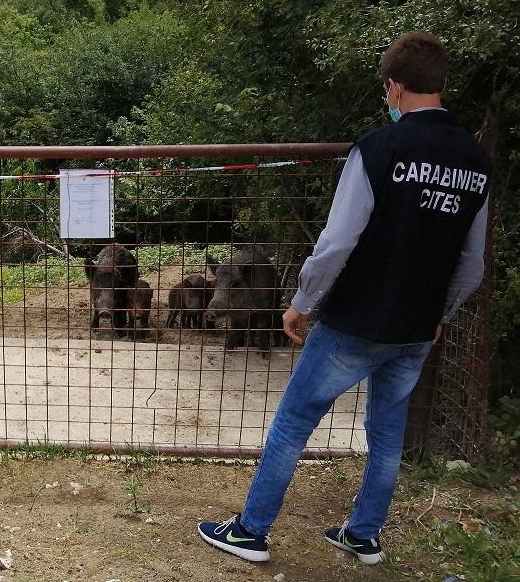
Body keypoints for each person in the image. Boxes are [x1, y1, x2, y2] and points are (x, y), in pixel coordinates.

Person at [197, 31, 490, 566]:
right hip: (417, 328)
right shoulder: (476, 161)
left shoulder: (378, 149)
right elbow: (472, 263)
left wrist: (302, 301)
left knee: (293, 422)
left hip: (355, 320)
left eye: (388, 92)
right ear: (441, 85)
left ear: (394, 87)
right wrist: (441, 313)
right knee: (387, 432)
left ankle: (251, 530)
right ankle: (363, 534)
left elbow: (337, 242)